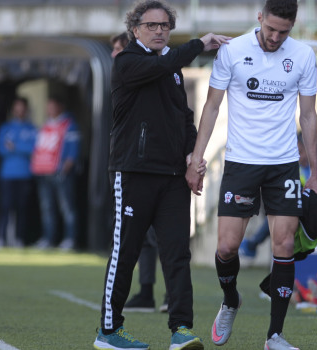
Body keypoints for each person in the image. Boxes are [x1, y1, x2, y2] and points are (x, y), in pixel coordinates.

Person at [93, 0, 230, 349]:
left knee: (176, 254)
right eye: (152, 25)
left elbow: (183, 116)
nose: (159, 31)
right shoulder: (127, 62)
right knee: (126, 251)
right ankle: (109, 331)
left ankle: (181, 329)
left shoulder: (171, 68)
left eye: (165, 26)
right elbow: (168, 60)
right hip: (134, 172)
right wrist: (199, 44)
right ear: (135, 29)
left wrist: (191, 157)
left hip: (171, 177)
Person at [185, 0, 317, 348]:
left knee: (285, 244)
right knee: (228, 246)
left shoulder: (304, 55)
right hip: (242, 162)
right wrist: (196, 160)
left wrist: (316, 173)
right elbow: (212, 105)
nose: (276, 37)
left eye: (284, 31)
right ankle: (231, 299)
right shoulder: (233, 51)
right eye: (271, 28)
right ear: (259, 18)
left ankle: (274, 335)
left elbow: (308, 116)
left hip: (285, 163)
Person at [110, 30, 169, 313]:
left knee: (163, 237)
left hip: (153, 169)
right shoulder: (125, 76)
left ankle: (171, 295)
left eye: (118, 49)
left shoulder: (150, 72)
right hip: (131, 164)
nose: (114, 56)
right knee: (143, 238)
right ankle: (146, 292)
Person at [239, 135, 311, 259]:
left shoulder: (315, 167)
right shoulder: (294, 168)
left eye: (301, 152)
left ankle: (253, 242)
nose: (300, 157)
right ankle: (254, 243)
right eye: (296, 153)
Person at [30, 96, 80, 250]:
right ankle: (48, 239)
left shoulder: (69, 125)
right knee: (47, 208)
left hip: (60, 173)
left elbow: (73, 151)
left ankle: (70, 239)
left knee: (66, 208)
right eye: (48, 106)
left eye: (52, 106)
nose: (49, 110)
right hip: (43, 173)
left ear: (60, 107)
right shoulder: (44, 126)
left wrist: (65, 168)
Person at [0, 97, 36, 247]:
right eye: (17, 107)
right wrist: (21, 148)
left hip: (25, 174)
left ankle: (19, 239)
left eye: (22, 108)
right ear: (13, 109)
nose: (19, 111)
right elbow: (0, 149)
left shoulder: (31, 128)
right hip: (7, 174)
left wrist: (16, 147)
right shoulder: (5, 128)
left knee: (22, 208)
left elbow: (34, 149)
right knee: (5, 207)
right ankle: (1, 238)